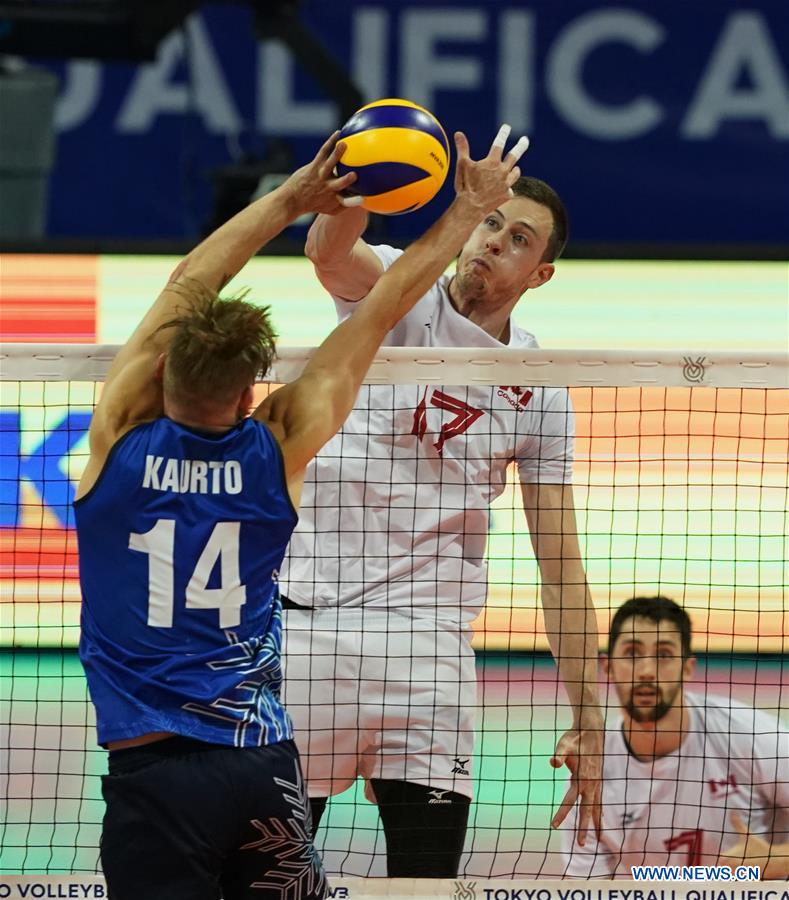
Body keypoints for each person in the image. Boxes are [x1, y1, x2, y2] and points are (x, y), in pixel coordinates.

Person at [74, 128, 523, 900]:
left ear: (158, 371)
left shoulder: (115, 444)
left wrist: (287, 198)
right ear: (252, 392)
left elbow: (189, 282)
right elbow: (379, 313)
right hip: (260, 772)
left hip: (153, 774)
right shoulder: (275, 446)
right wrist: (462, 211)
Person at [279, 124, 605, 877]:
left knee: (425, 883)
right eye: (490, 221)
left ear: (540, 274)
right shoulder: (400, 285)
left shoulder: (539, 390)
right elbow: (327, 253)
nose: (494, 241)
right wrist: (356, 174)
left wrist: (588, 716)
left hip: (428, 644)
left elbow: (560, 571)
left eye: (518, 238)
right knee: (267, 875)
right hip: (310, 628)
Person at [562, 595, 789, 879]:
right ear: (607, 667)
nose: (646, 671)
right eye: (632, 653)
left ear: (687, 667)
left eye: (664, 654)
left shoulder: (750, 735)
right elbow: (586, 889)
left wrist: (780, 860)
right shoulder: (593, 775)